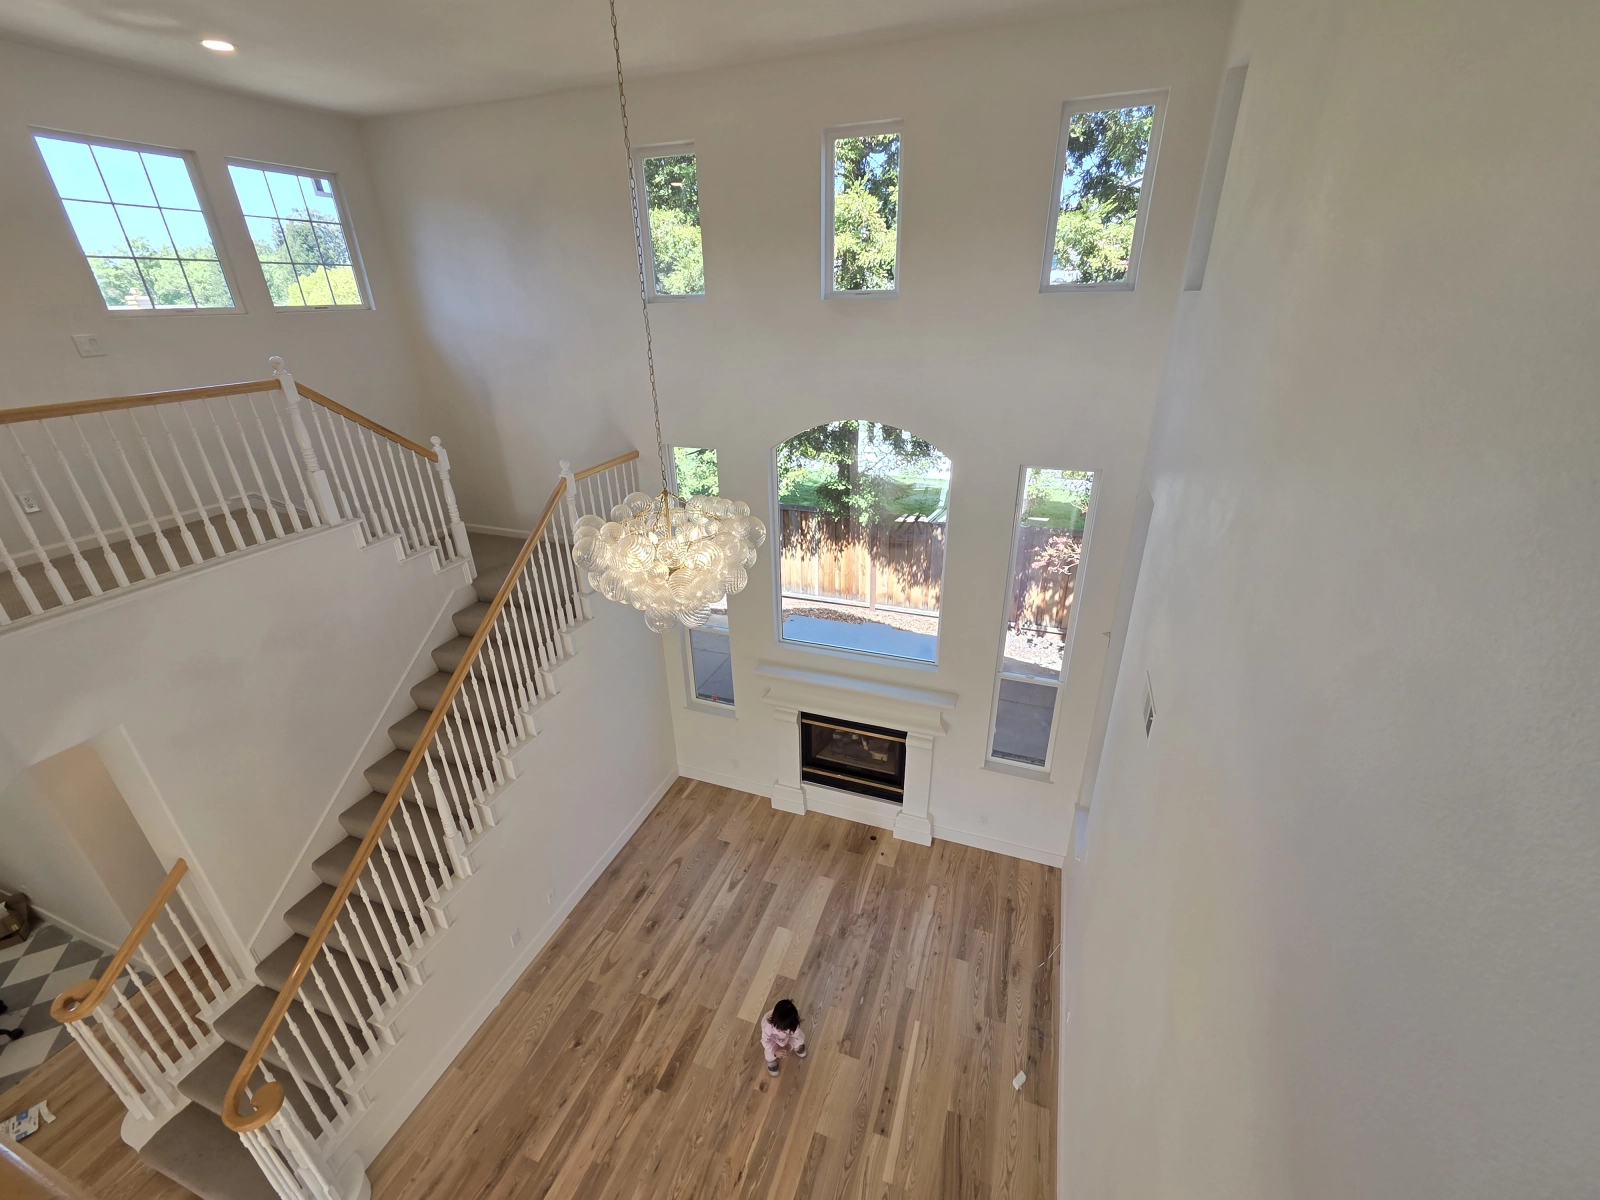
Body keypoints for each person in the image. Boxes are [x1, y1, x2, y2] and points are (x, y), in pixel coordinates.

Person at [760, 998, 806, 1077]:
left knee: (800, 1039)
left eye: (785, 1029)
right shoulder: (768, 1024)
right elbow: (765, 1040)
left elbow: (795, 1036)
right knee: (769, 1054)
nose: (782, 1030)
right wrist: (775, 1050)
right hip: (773, 1041)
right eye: (780, 1029)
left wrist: (789, 1046)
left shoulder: (793, 1023)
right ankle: (771, 1061)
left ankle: (797, 1047)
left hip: (789, 1038)